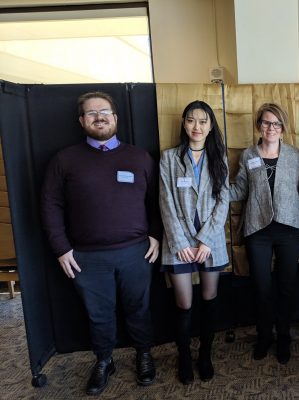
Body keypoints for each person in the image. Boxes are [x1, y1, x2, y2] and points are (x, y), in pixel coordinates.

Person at [41, 91, 161, 396]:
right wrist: (61, 248)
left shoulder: (139, 157)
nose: (99, 117)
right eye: (92, 113)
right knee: (99, 314)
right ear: (82, 121)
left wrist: (157, 235)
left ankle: (144, 355)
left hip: (136, 252)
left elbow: (157, 202)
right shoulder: (65, 160)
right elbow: (50, 204)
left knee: (140, 309)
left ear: (116, 118)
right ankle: (104, 360)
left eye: (105, 111)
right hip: (86, 258)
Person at [159, 100, 229, 385]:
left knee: (209, 300)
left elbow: (223, 200)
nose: (196, 126)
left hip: (210, 243)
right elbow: (165, 202)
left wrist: (207, 240)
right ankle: (185, 355)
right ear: (184, 124)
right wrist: (180, 242)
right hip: (179, 243)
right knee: (184, 302)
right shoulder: (169, 158)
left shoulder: (218, 157)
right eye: (191, 120)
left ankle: (206, 355)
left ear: (211, 125)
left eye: (203, 121)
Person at [230, 103, 299, 364]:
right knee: (261, 287)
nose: (271, 128)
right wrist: (214, 192)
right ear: (259, 125)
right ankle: (264, 336)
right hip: (257, 229)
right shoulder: (249, 154)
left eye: (276, 123)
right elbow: (239, 190)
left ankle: (284, 337)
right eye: (266, 122)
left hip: (288, 228)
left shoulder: (294, 155)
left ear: (283, 128)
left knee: (286, 287)